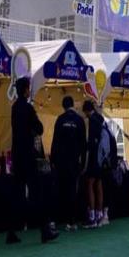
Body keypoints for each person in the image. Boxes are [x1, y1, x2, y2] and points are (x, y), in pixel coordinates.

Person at [6, 77, 59, 245]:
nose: (29, 91)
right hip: (28, 156)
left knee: (17, 194)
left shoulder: (14, 108)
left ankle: (11, 232)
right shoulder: (28, 108)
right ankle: (45, 230)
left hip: (17, 156)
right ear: (25, 90)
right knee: (37, 193)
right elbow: (39, 128)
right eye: (28, 88)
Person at [51, 96, 87, 231]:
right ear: (73, 105)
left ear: (63, 106)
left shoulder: (60, 119)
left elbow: (55, 141)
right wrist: (83, 162)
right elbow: (84, 144)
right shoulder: (79, 120)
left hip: (60, 162)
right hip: (74, 162)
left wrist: (52, 160)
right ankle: (71, 222)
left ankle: (54, 221)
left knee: (58, 190)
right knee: (72, 191)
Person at [82, 100, 106, 228]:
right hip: (101, 158)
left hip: (94, 157)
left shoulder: (92, 120)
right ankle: (99, 214)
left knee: (90, 184)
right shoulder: (101, 119)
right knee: (99, 184)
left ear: (86, 110)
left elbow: (91, 142)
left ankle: (92, 216)